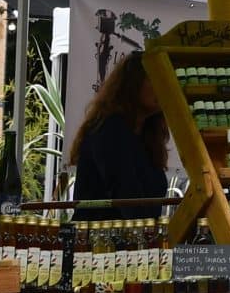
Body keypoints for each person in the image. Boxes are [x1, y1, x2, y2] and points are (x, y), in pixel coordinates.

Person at [68, 51, 170, 216]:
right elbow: (126, 192)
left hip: (135, 236)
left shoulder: (147, 135)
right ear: (133, 84)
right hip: (99, 238)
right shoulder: (109, 128)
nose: (161, 87)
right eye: (153, 79)